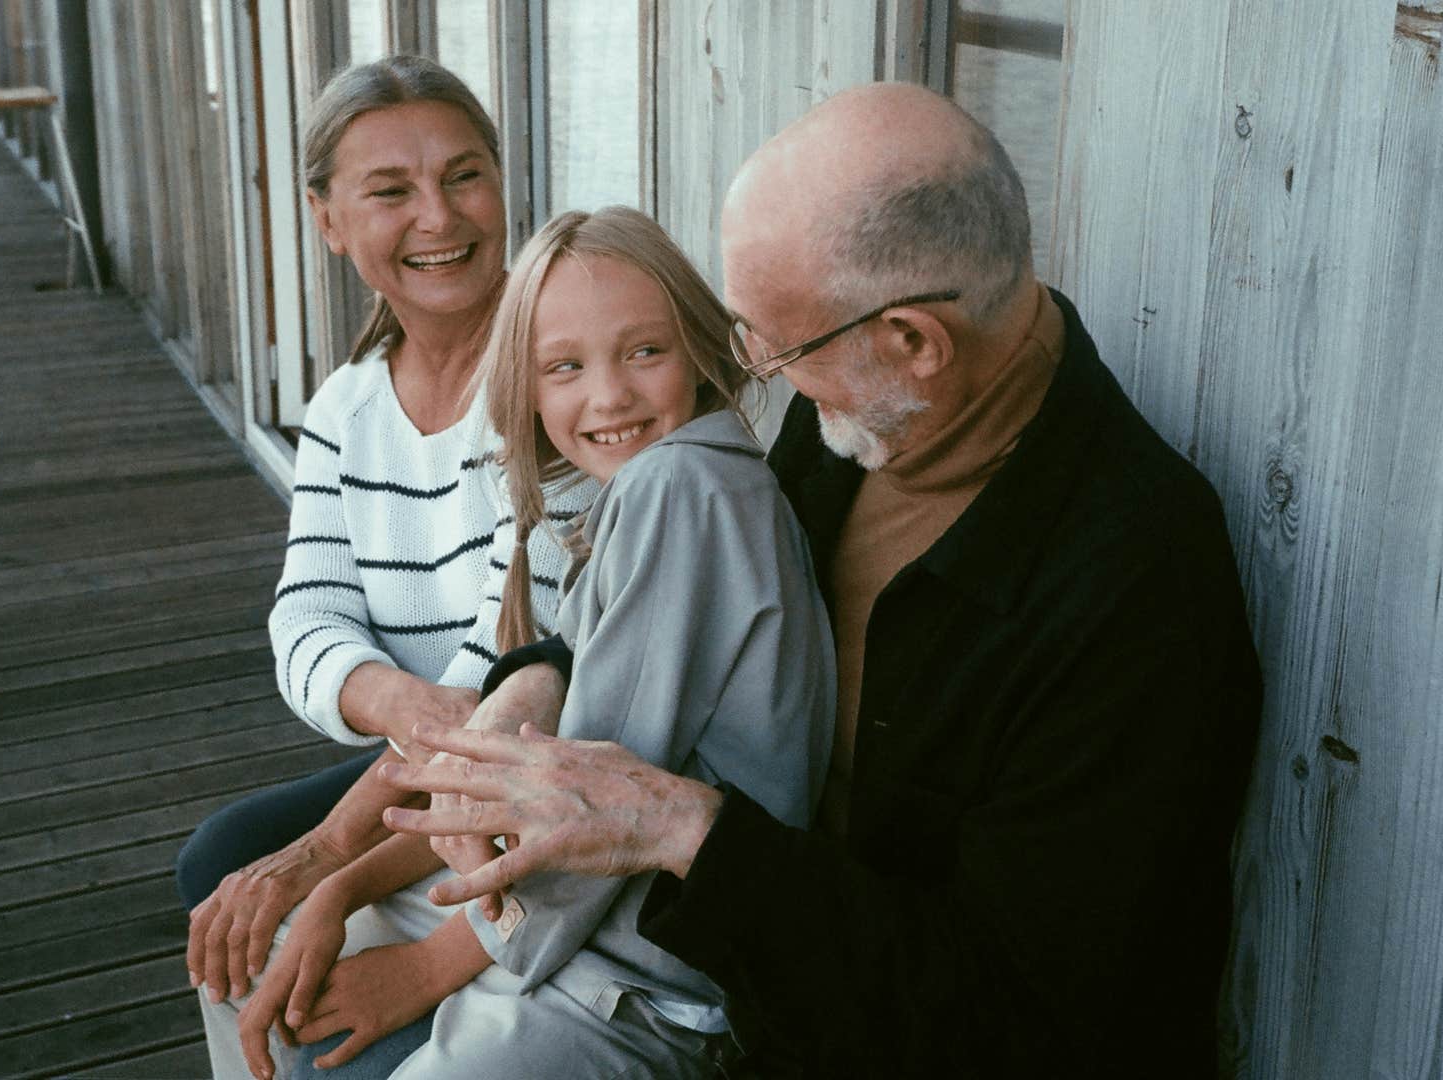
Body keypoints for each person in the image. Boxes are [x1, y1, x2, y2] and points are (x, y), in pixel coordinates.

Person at [381, 82, 1264, 1077]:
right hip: (699, 960)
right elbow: (694, 616)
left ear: (913, 342)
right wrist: (538, 675)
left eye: (777, 343)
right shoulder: (858, 419)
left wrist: (689, 833)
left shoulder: (1135, 588)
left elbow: (1017, 1022)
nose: (753, 370)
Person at [204, 206, 835, 1078]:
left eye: (645, 351)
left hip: (635, 977)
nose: (608, 395)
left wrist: (419, 972)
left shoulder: (683, 490)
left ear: (700, 345)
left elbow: (585, 821)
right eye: (565, 367)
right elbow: (516, 773)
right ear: (528, 391)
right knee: (257, 951)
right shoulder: (645, 489)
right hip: (558, 921)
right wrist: (340, 883)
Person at [175, 55, 581, 1074]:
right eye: (390, 191)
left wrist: (325, 859)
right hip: (430, 761)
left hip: (543, 761)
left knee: (274, 883)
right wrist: (397, 702)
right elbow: (306, 621)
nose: (439, 219)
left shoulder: (565, 384)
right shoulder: (346, 406)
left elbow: (500, 679)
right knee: (220, 861)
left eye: (464, 175)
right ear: (328, 220)